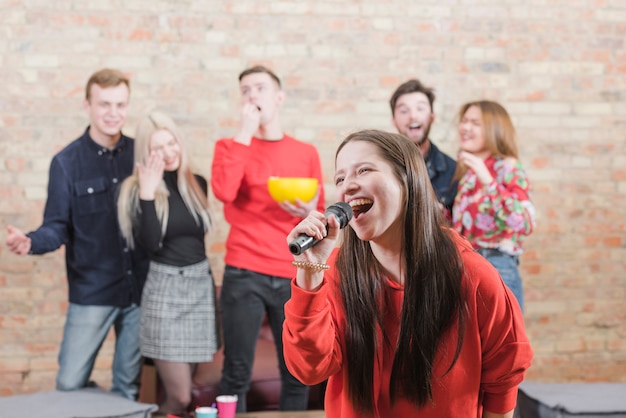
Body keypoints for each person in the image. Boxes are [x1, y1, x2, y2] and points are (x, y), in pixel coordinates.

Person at [283, 129, 533, 417]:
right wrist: (310, 273)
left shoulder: (474, 275)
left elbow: (503, 385)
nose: (347, 186)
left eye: (363, 170)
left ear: (407, 179)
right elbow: (309, 369)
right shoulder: (334, 273)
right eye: (340, 178)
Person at [5, 68, 148, 400]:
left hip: (139, 290)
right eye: (104, 104)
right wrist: (31, 241)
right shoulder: (66, 162)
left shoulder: (140, 154)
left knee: (128, 387)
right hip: (93, 290)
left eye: (120, 105)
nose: (113, 113)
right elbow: (56, 226)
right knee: (69, 386)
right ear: (88, 105)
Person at [211, 65, 325, 412]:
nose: (252, 95)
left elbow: (318, 216)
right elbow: (224, 191)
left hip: (291, 271)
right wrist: (244, 136)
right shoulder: (230, 146)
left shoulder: (305, 152)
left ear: (279, 97)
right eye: (245, 90)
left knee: (295, 372)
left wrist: (309, 209)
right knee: (235, 372)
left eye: (259, 88)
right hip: (243, 270)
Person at [117, 111, 219, 415]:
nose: (168, 152)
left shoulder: (196, 182)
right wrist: (148, 194)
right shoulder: (135, 190)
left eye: (171, 142)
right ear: (146, 153)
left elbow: (198, 238)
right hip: (165, 291)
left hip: (199, 288)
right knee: (181, 396)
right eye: (158, 148)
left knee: (189, 399)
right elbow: (150, 245)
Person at [452, 100, 535, 312]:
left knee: (504, 344)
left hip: (497, 266)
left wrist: (488, 180)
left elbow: (524, 222)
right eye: (464, 121)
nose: (465, 127)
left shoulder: (507, 167)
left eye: (475, 123)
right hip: (466, 269)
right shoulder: (468, 172)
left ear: (493, 129)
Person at [390, 79, 458, 217]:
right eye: (404, 111)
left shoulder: (454, 171)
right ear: (394, 121)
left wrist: (442, 217)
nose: (413, 116)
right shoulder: (382, 167)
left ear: (432, 117)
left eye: (420, 108)